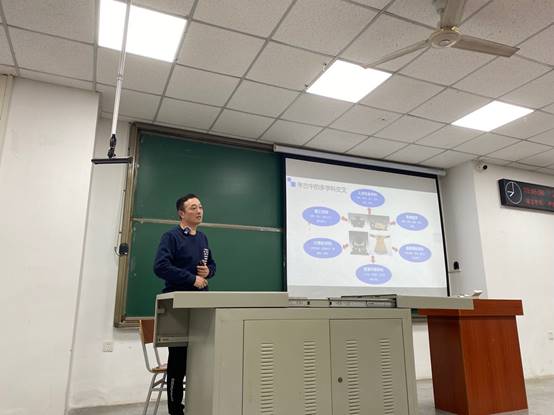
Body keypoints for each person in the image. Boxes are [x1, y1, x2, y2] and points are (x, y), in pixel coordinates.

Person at [153, 194, 216, 415]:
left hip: (201, 305)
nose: (199, 211)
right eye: (193, 208)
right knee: (178, 360)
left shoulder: (203, 238)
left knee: (201, 356)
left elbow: (212, 265)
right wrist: (191, 279)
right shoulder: (171, 237)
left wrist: (208, 272)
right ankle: (175, 409)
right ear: (181, 213)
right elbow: (160, 267)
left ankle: (197, 405)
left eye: (200, 207)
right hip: (178, 306)